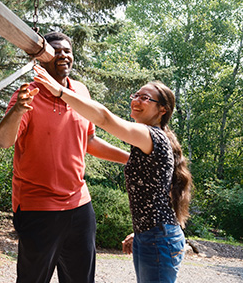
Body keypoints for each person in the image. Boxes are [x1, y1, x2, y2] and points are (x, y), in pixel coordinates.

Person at [33, 64, 193, 283]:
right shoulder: (153, 140)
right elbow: (158, 196)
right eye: (136, 95)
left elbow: (105, 119)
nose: (136, 101)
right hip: (154, 235)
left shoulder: (151, 136)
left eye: (145, 98)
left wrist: (60, 92)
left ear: (162, 110)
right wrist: (141, 232)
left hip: (159, 239)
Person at [0, 31, 130, 283]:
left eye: (67, 50)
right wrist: (18, 109)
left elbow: (88, 140)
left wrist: (130, 159)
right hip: (38, 207)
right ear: (41, 59)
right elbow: (4, 141)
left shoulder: (80, 91)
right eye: (56, 50)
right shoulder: (27, 94)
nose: (63, 55)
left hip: (80, 205)